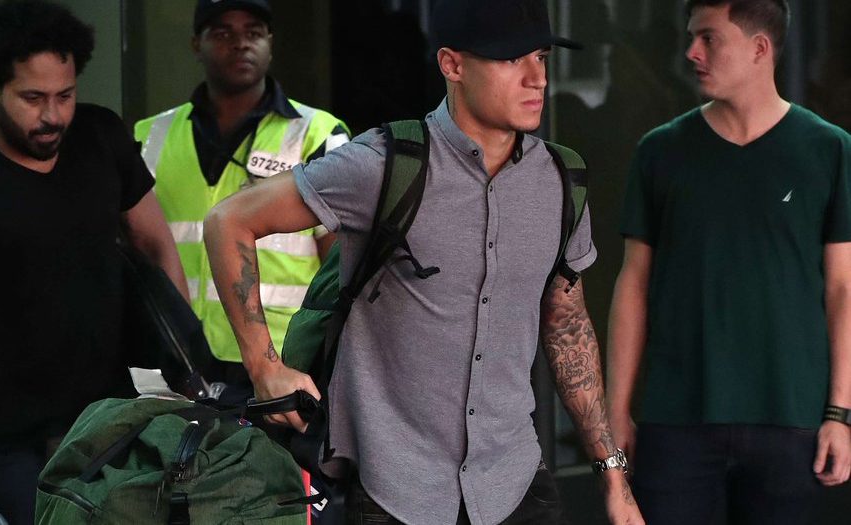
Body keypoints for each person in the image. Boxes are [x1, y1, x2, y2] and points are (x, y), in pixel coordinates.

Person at [204, 0, 644, 523]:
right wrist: (264, 368)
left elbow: (567, 325)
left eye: (542, 57)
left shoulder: (561, 182)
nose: (537, 78)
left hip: (514, 484)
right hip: (395, 492)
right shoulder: (383, 165)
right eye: (511, 59)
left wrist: (613, 477)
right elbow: (229, 220)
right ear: (452, 64)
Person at [0, 1, 187, 523]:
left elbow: (156, 247)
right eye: (32, 98)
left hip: (111, 420)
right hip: (2, 438)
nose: (53, 116)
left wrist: (174, 359)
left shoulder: (101, 137)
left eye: (65, 95)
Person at [607, 1, 851, 524]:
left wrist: (840, 413)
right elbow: (633, 285)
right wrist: (616, 410)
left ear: (760, 48)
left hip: (792, 422)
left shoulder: (830, 150)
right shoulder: (660, 151)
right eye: (691, 37)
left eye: (709, 38)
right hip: (676, 423)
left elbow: (843, 290)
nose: (691, 52)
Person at [134, 0, 349, 404]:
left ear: (270, 43)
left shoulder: (319, 134)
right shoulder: (150, 136)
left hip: (284, 362)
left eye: (253, 33)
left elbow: (342, 266)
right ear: (196, 44)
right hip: (179, 359)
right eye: (223, 33)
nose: (240, 44)